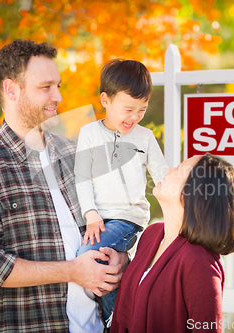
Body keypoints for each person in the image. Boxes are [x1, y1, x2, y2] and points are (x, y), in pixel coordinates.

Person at [0, 39, 128, 333]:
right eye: (45, 87)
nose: (58, 96)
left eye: (58, 85)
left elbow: (112, 220)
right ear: (11, 89)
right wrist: (72, 272)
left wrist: (120, 257)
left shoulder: (74, 153)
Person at [110, 153, 234, 333]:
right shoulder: (151, 234)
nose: (169, 170)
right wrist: (124, 265)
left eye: (178, 169)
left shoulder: (199, 263)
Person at [74, 59, 168, 325]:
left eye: (142, 110)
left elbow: (162, 177)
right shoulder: (89, 133)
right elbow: (82, 177)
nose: (135, 117)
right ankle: (114, 317)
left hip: (128, 219)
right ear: (105, 100)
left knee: (88, 254)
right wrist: (91, 213)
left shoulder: (145, 137)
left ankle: (116, 318)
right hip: (98, 220)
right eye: (128, 109)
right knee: (96, 259)